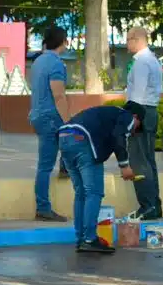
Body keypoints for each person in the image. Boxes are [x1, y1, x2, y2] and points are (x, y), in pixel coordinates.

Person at [58, 101, 139, 253]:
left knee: (81, 193)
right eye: (137, 126)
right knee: (93, 192)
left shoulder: (106, 114)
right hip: (82, 139)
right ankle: (89, 239)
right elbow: (119, 136)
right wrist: (124, 165)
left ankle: (81, 238)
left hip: (64, 135)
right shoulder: (127, 116)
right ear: (136, 117)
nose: (135, 130)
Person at [29, 27, 72, 222]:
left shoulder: (38, 61)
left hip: (37, 114)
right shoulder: (56, 63)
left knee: (59, 150)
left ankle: (66, 166)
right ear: (63, 41)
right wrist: (68, 120)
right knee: (45, 165)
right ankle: (43, 207)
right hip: (50, 116)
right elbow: (58, 94)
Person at [124, 25, 163, 219]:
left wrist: (133, 118)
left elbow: (137, 95)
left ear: (135, 39)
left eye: (128, 39)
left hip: (140, 112)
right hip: (151, 111)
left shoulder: (141, 62)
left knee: (139, 161)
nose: (126, 44)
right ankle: (154, 205)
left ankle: (147, 206)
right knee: (148, 161)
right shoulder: (153, 60)